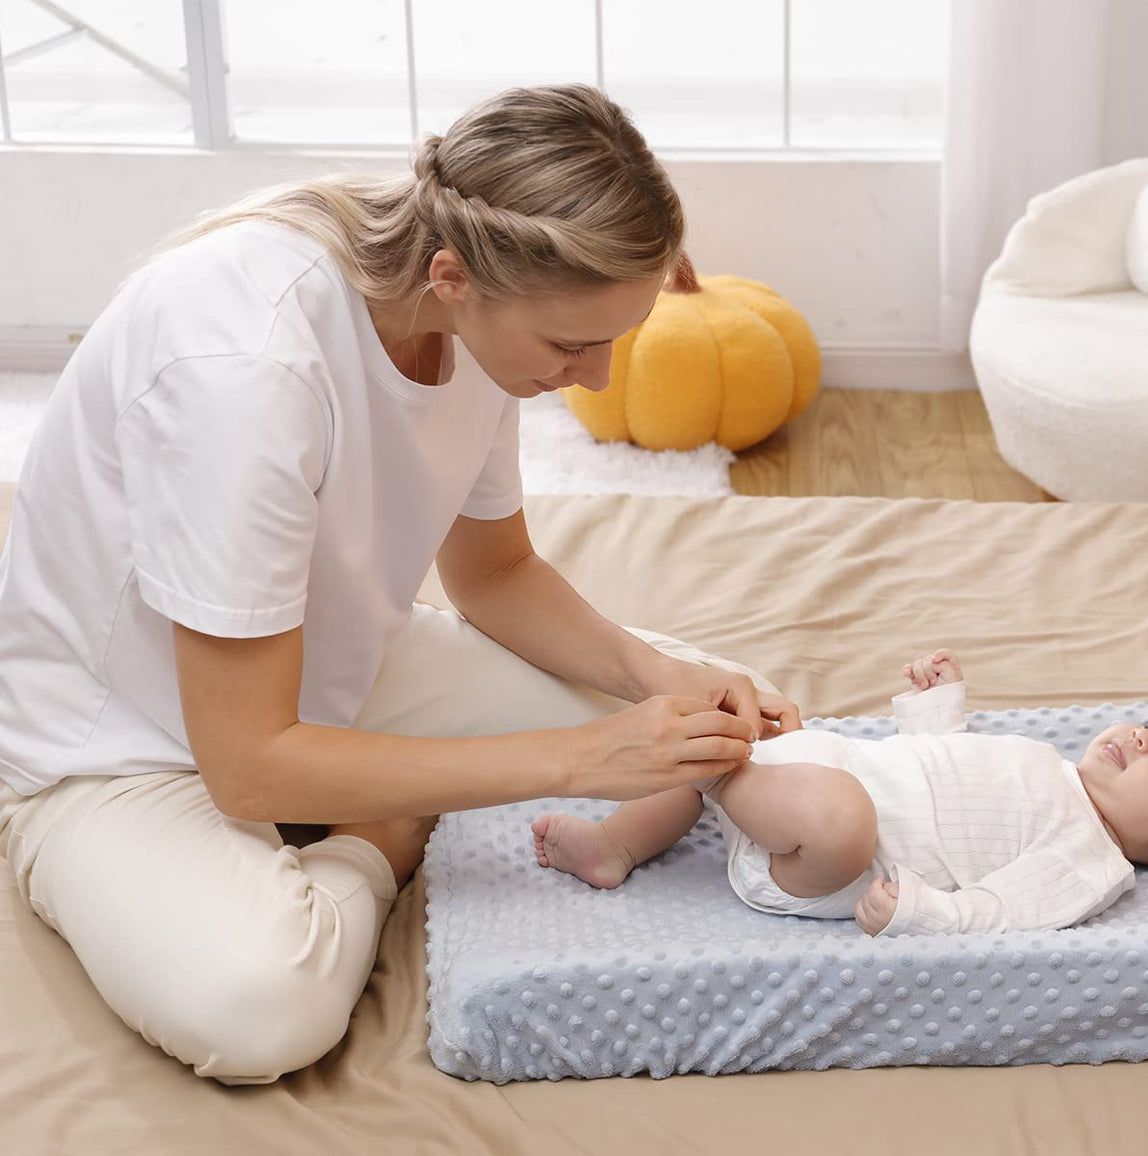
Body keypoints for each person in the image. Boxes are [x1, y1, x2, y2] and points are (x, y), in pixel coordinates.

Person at [0, 84, 799, 1084]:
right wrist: (570, 759)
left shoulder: (470, 311)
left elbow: (496, 575)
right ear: (453, 275)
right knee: (260, 1010)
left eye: (610, 339)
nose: (593, 379)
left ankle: (384, 787)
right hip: (123, 743)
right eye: (569, 346)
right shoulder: (246, 370)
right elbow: (244, 766)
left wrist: (659, 671)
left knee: (701, 732)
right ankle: (376, 837)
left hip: (332, 655)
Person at [533, 648, 1148, 936]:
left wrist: (923, 913)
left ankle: (722, 768)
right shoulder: (1049, 765)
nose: (1143, 738)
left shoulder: (1089, 861)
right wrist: (938, 708)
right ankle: (614, 845)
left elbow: (1004, 913)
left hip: (828, 859)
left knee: (828, 809)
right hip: (818, 777)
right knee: (751, 773)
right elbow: (945, 765)